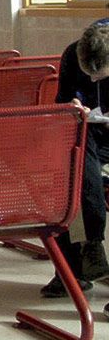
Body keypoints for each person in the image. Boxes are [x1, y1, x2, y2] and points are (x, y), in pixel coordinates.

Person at [44, 19, 109, 300]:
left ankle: (88, 249)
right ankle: (83, 256)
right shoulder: (72, 55)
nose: (94, 80)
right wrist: (72, 106)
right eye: (89, 75)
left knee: (77, 164)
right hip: (88, 133)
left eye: (101, 76)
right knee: (71, 163)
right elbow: (63, 99)